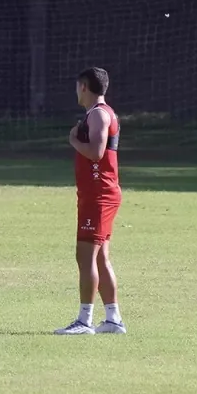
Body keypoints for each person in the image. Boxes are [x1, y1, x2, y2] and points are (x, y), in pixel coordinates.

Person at [55, 67, 127, 335]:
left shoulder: (98, 114)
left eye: (77, 86)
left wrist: (73, 139)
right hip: (99, 194)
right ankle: (113, 319)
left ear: (84, 86)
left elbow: (96, 153)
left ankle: (85, 321)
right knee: (100, 258)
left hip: (99, 195)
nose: (76, 91)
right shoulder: (98, 114)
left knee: (85, 256)